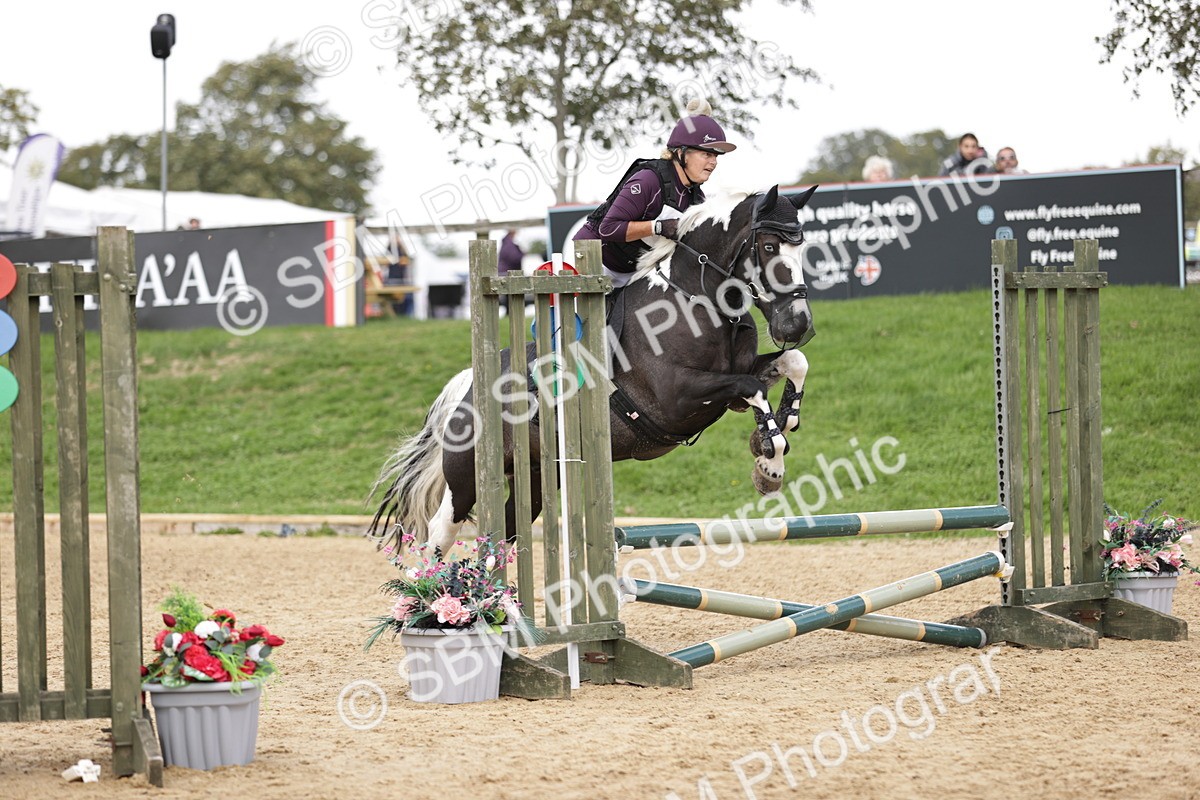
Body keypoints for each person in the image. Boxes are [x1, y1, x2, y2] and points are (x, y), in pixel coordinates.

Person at [573, 98, 736, 288]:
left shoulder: (697, 198)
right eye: (706, 154)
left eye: (716, 156)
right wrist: (658, 227)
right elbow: (608, 229)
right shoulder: (648, 180)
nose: (713, 162)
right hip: (592, 261)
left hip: (632, 272)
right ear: (681, 153)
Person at [497, 229, 525, 310]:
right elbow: (514, 258)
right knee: (509, 296)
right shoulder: (509, 244)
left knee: (508, 296)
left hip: (504, 271)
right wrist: (522, 253)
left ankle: (508, 312)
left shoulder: (506, 243)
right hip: (507, 272)